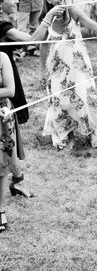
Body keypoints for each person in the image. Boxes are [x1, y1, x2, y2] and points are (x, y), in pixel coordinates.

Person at [37, 0, 97, 150]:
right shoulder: (46, 20)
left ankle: (93, 131)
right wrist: (43, 71)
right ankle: (68, 135)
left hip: (79, 66)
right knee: (61, 102)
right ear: (49, 0)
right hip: (58, 68)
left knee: (87, 98)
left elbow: (96, 27)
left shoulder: (72, 11)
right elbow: (43, 47)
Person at [0, 0, 37, 198]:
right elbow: (30, 40)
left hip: (8, 73)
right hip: (4, 82)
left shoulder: (6, 24)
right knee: (8, 131)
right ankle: (15, 179)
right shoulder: (2, 25)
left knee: (11, 130)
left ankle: (17, 179)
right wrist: (49, 15)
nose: (16, 1)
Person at [0, 52, 16, 233]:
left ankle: (0, 209)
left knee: (1, 165)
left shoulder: (2, 57)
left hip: (1, 113)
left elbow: (10, 90)